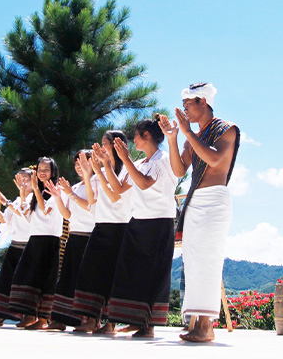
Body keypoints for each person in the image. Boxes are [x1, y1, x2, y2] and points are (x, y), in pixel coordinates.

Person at [159, 82, 240, 342]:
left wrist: (187, 133)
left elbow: (215, 159)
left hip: (215, 200)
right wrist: (173, 139)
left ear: (202, 102)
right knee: (192, 262)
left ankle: (205, 326)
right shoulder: (192, 136)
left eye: (187, 105)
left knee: (208, 260)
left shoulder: (226, 129)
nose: (184, 111)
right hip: (195, 201)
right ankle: (196, 322)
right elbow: (180, 170)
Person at [107, 117, 178, 338]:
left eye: (136, 135)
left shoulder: (163, 160)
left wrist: (126, 159)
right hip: (137, 220)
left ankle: (148, 325)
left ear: (146, 136)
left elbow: (145, 183)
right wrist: (107, 164)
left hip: (159, 222)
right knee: (130, 271)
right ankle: (133, 319)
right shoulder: (138, 163)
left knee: (152, 272)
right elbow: (118, 188)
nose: (133, 140)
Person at [72, 131, 132, 334]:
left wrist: (99, 171)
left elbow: (116, 197)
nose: (100, 148)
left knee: (113, 275)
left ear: (117, 145)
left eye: (104, 144)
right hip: (101, 224)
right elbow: (92, 201)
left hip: (119, 226)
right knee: (90, 272)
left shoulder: (125, 170)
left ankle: (111, 322)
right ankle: (90, 318)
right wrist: (90, 175)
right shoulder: (100, 170)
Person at [8, 157, 70, 330]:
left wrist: (34, 189)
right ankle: (29, 315)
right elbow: (28, 216)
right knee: (27, 276)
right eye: (40, 169)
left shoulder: (56, 190)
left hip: (49, 239)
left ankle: (42, 318)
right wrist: (23, 194)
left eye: (46, 170)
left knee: (45, 278)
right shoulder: (39, 191)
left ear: (53, 172)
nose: (42, 172)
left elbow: (46, 210)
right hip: (35, 237)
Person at [48, 150, 96, 330]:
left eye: (83, 162)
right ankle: (62, 318)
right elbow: (67, 215)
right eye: (76, 163)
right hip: (74, 237)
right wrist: (59, 197)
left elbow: (92, 206)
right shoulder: (75, 187)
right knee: (68, 277)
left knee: (86, 280)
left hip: (91, 237)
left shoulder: (97, 183)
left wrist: (71, 195)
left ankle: (89, 320)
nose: (79, 167)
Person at [0, 168, 34, 326]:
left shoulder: (36, 198)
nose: (23, 182)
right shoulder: (17, 200)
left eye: (26, 179)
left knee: (24, 282)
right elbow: (4, 220)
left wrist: (6, 201)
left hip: (29, 246)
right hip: (15, 245)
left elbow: (24, 214)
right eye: (20, 179)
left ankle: (26, 315)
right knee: (5, 280)